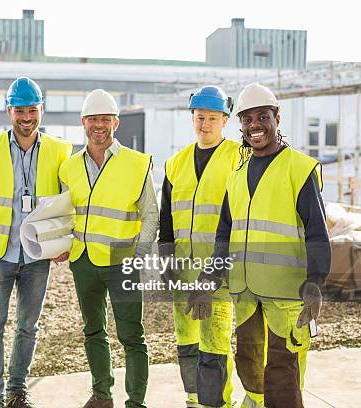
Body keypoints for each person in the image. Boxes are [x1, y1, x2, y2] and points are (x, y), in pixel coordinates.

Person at [186, 83, 331, 408]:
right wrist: (210, 278)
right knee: (249, 367)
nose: (254, 125)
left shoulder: (299, 168)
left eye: (262, 117)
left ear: (277, 117)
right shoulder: (237, 173)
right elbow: (225, 233)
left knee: (283, 376)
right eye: (248, 119)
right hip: (247, 292)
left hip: (287, 295)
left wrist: (315, 282)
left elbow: (317, 233)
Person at [0, 77, 72, 408]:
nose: (26, 117)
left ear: (41, 110)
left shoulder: (61, 151)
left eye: (32, 110)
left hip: (37, 255)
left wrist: (64, 242)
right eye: (19, 110)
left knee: (28, 327)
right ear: (8, 112)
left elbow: (69, 202)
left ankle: (17, 390)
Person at [58, 89, 158, 408]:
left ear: (115, 122)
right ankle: (102, 394)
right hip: (83, 259)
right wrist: (61, 245)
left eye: (105, 120)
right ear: (83, 123)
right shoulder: (69, 166)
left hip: (122, 260)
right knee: (93, 331)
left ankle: (136, 402)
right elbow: (61, 212)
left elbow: (151, 213)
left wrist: (139, 256)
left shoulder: (137, 163)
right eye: (92, 120)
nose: (98, 126)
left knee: (132, 335)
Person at [158, 86, 239, 408]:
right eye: (199, 117)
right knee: (187, 338)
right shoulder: (175, 163)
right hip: (182, 269)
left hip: (218, 270)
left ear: (224, 121)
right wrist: (165, 259)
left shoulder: (238, 157)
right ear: (192, 119)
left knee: (215, 340)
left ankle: (217, 403)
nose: (204, 124)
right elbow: (167, 217)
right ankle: (193, 397)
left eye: (211, 118)